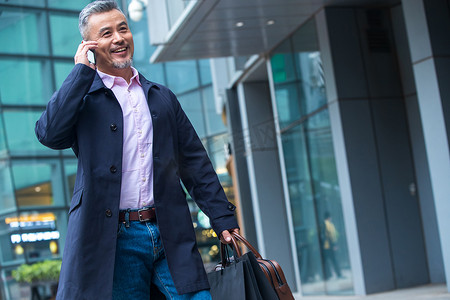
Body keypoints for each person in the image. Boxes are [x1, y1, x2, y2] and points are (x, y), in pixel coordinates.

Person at [35, 1, 239, 299]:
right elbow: (49, 133)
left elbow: (194, 162)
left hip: (170, 232)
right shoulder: (84, 99)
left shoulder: (161, 97)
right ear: (89, 46)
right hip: (116, 241)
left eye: (123, 29)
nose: (118, 38)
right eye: (106, 33)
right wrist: (81, 72)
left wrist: (222, 217)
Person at [321, 211, 342, 280]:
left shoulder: (324, 224)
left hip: (326, 246)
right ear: (329, 217)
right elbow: (332, 235)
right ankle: (338, 274)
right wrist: (334, 245)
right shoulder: (329, 225)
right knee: (334, 260)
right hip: (329, 245)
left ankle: (327, 276)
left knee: (326, 261)